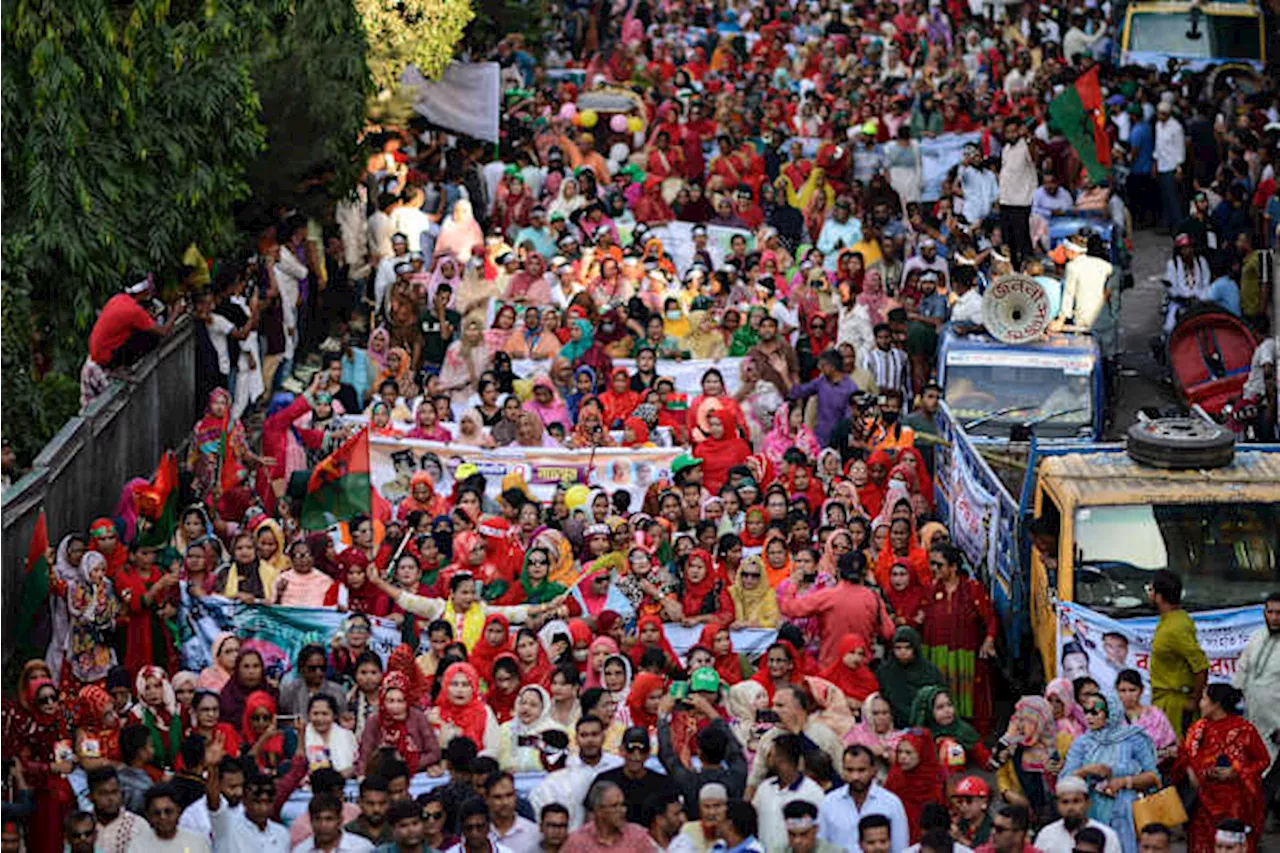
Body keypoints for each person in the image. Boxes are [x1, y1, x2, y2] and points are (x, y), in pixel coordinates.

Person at [1060, 690, 1159, 853]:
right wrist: (1087, 770)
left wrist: (1124, 782)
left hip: (1127, 810)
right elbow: (1065, 781)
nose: (1089, 717)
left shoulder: (1133, 738)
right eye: (1086, 712)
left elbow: (1154, 777)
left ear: (1110, 712)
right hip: (1093, 810)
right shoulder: (1082, 743)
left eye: (1095, 712)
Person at [1176, 684, 1270, 853]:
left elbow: (1263, 760)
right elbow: (1183, 757)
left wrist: (1237, 772)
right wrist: (1190, 772)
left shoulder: (1244, 729)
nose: (1200, 703)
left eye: (1204, 699)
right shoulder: (1197, 729)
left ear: (1216, 704)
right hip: (1201, 805)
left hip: (1234, 806)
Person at [1147, 570, 1209, 739]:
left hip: (1174, 704)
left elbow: (1201, 666)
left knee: (1174, 755)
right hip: (1162, 700)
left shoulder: (1176, 627)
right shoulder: (1168, 621)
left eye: (1150, 590)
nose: (1149, 594)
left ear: (1159, 596)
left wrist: (1193, 702)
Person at [818, 746, 908, 852]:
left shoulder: (891, 803)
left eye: (861, 770)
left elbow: (900, 848)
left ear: (873, 770)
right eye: (849, 770)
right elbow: (822, 845)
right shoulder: (829, 803)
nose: (855, 776)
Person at [752, 734, 827, 853]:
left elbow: (821, 831)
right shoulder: (764, 788)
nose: (768, 758)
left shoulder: (813, 792)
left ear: (781, 758)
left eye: (772, 754)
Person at [1231, 591, 1280, 764]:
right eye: (1270, 612)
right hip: (1253, 721)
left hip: (1276, 727)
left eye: (1279, 613)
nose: (1274, 618)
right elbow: (1242, 670)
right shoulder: (1256, 637)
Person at [597, 727, 667, 825]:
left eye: (642, 750)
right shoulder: (605, 781)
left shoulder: (663, 784)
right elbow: (593, 818)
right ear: (621, 750)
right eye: (630, 749)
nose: (636, 756)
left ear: (649, 752)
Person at [1031, 777, 1121, 853]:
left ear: (1088, 803)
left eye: (1076, 801)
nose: (1070, 807)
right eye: (1065, 802)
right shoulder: (1047, 834)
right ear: (1057, 805)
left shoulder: (1108, 835)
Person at [560, 781, 652, 852]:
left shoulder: (638, 837)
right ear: (598, 810)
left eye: (623, 805)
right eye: (614, 806)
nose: (622, 810)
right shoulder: (577, 841)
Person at [129, 785, 211, 853]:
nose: (163, 817)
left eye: (168, 811)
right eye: (157, 813)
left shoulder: (198, 842)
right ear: (148, 816)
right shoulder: (137, 846)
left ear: (178, 811)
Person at [481, 771, 540, 853]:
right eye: (498, 797)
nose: (505, 802)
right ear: (486, 798)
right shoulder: (477, 832)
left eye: (509, 795)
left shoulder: (534, 833)